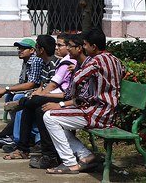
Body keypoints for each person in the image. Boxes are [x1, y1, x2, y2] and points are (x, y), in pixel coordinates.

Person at [40, 28, 125, 175]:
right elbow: (123, 71)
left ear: (94, 46)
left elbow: (77, 80)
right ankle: (85, 155)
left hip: (98, 113)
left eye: (85, 44)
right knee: (56, 119)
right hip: (107, 111)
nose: (84, 47)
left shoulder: (96, 61)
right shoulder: (115, 59)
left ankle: (70, 163)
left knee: (50, 117)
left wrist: (71, 96)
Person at [2, 34, 71, 159]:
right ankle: (23, 147)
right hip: (52, 95)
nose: (57, 48)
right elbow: (43, 85)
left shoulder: (56, 64)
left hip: (61, 97)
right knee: (30, 106)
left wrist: (36, 96)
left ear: (41, 50)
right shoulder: (46, 64)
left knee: (29, 104)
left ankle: (27, 145)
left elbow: (52, 86)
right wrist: (36, 94)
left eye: (60, 45)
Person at [30, 35, 88, 170]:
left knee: (48, 115)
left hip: (92, 112)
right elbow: (73, 94)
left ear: (81, 48)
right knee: (43, 110)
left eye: (69, 46)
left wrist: (59, 105)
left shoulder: (90, 66)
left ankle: (67, 162)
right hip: (83, 106)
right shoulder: (79, 65)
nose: (67, 48)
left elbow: (81, 98)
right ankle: (84, 154)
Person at [0, 37, 41, 149]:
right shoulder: (26, 61)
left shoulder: (35, 61)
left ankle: (16, 138)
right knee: (9, 97)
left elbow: (32, 84)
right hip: (29, 91)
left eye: (23, 48)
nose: (20, 50)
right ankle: (12, 132)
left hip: (36, 93)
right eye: (19, 48)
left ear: (32, 50)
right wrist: (9, 90)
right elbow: (22, 83)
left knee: (17, 98)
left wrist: (7, 89)